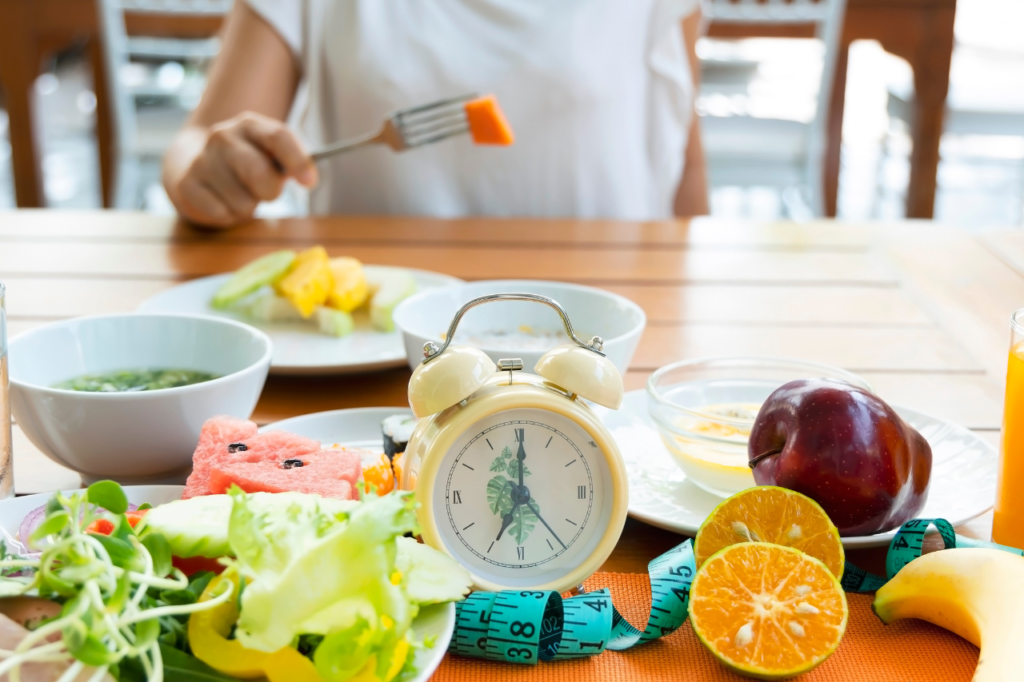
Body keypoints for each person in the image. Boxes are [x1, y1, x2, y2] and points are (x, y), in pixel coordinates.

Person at [162, 0, 709, 228]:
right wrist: (205, 174)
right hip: (370, 343)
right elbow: (199, 140)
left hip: (607, 328)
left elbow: (682, 157)